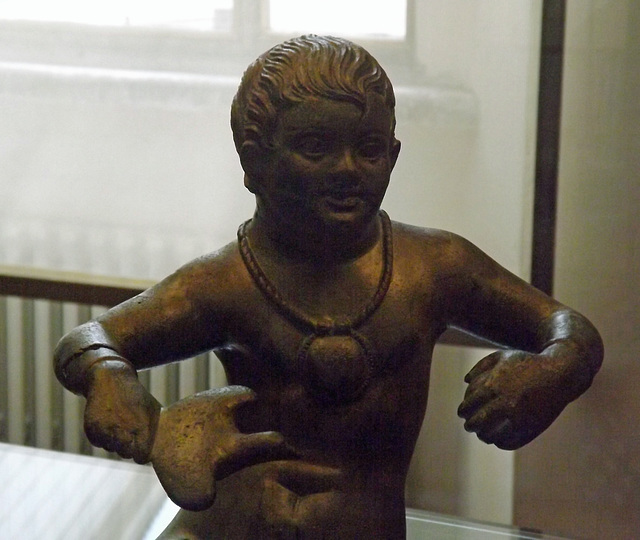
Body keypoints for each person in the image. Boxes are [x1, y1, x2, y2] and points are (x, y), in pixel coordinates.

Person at [54, 35, 603, 539]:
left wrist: (554, 368)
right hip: (231, 527)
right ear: (254, 160)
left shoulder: (434, 267)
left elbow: (571, 330)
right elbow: (91, 337)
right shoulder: (226, 281)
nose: (348, 170)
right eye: (315, 147)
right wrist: (107, 375)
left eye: (368, 149)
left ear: (393, 155)